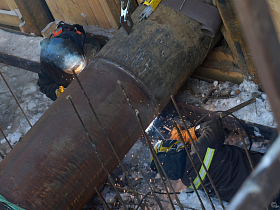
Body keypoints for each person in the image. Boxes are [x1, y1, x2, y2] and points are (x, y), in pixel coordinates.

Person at [150, 116, 280, 209]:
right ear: (174, 150)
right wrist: (192, 133)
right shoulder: (201, 148)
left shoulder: (187, 180)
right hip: (273, 177)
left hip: (262, 201)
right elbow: (214, 124)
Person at [37, 21, 101, 101]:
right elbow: (44, 85)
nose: (76, 68)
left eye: (77, 65)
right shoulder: (47, 64)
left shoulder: (91, 48)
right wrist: (56, 92)